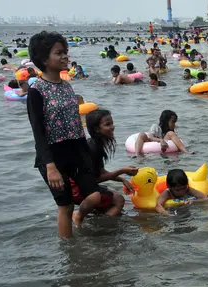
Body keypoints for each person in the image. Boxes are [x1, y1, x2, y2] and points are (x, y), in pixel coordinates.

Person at [27, 31, 101, 238]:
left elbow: (76, 123)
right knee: (65, 206)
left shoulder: (67, 86)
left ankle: (81, 218)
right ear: (43, 59)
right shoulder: (36, 91)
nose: (64, 57)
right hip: (53, 156)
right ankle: (70, 254)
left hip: (76, 151)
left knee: (94, 195)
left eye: (65, 52)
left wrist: (88, 153)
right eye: (59, 53)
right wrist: (50, 166)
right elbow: (38, 131)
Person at [80, 109, 137, 216]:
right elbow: (94, 179)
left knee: (112, 198)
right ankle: (104, 227)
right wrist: (122, 171)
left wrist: (122, 179)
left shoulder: (96, 144)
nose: (112, 127)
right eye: (107, 124)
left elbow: (101, 172)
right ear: (96, 128)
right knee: (119, 200)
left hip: (83, 186)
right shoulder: (93, 148)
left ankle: (95, 217)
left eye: (112, 123)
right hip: (78, 189)